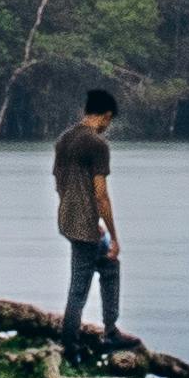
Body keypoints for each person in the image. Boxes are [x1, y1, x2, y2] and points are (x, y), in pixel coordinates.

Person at [51, 88, 124, 345]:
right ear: (106, 116)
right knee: (79, 289)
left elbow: (59, 183)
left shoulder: (64, 140)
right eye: (109, 120)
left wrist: (92, 221)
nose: (107, 126)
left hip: (69, 220)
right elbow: (100, 195)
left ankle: (111, 329)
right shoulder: (97, 144)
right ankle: (70, 346)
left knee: (109, 265)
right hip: (84, 227)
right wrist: (114, 235)